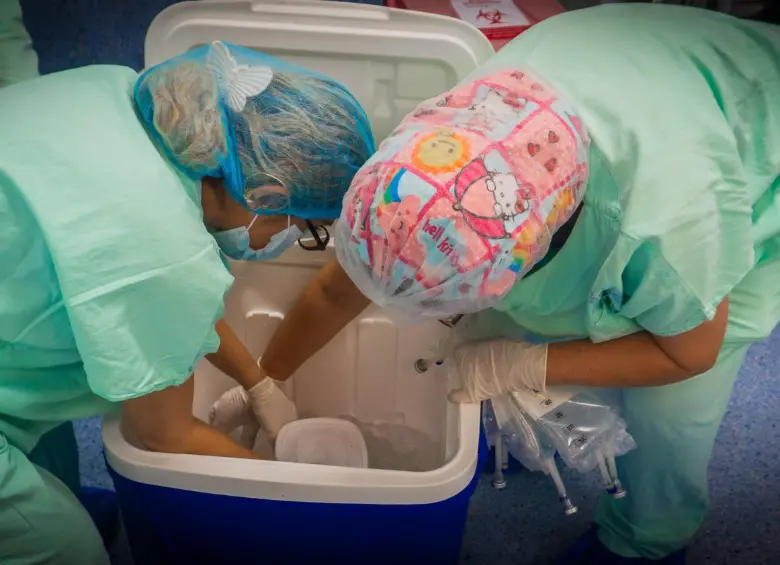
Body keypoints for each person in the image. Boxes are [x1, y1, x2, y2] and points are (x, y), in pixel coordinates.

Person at [211, 4, 780, 564]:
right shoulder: (440, 155)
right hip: (626, 74)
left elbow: (689, 353)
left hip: (752, 151)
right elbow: (342, 286)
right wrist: (265, 379)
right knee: (524, 324)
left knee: (671, 417)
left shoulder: (671, 232)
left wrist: (521, 366)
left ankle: (645, 540)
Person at [0, 33, 374, 565]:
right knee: (66, 550)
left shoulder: (118, 93)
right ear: (264, 194)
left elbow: (163, 302)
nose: (293, 240)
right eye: (306, 227)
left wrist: (258, 383)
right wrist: (290, 483)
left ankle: (53, 497)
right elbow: (162, 431)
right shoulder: (161, 251)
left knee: (49, 443)